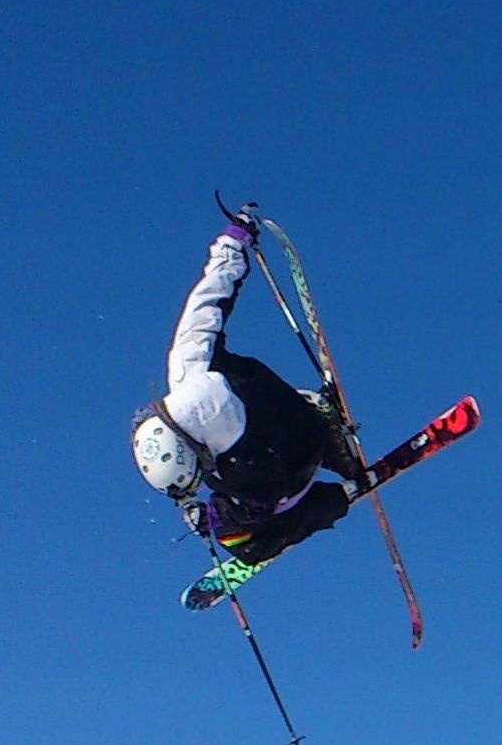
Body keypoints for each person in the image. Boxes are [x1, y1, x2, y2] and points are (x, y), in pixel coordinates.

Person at [131, 209, 361, 598]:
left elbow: (260, 503)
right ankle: (324, 428)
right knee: (261, 431)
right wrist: (233, 241)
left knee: (245, 540)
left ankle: (335, 498)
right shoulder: (186, 368)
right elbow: (207, 301)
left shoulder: (238, 468)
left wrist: (209, 517)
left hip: (293, 461)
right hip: (293, 414)